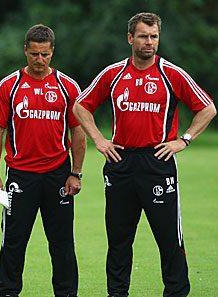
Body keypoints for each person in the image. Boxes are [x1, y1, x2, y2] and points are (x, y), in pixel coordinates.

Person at [73, 12, 216, 297]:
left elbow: (208, 108)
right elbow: (80, 106)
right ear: (130, 38)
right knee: (118, 240)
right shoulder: (113, 74)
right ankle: (117, 293)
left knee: (168, 239)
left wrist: (183, 140)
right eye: (143, 36)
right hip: (120, 162)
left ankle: (176, 293)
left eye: (154, 36)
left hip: (158, 163)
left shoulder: (171, 74)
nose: (149, 42)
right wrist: (100, 140)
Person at [0, 24, 86, 297]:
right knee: (13, 242)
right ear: (25, 51)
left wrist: (76, 173)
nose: (39, 60)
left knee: (62, 244)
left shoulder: (67, 86)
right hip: (19, 177)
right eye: (34, 54)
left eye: (45, 54)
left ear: (52, 52)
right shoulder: (9, 85)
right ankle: (7, 293)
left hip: (58, 176)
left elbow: (78, 130)